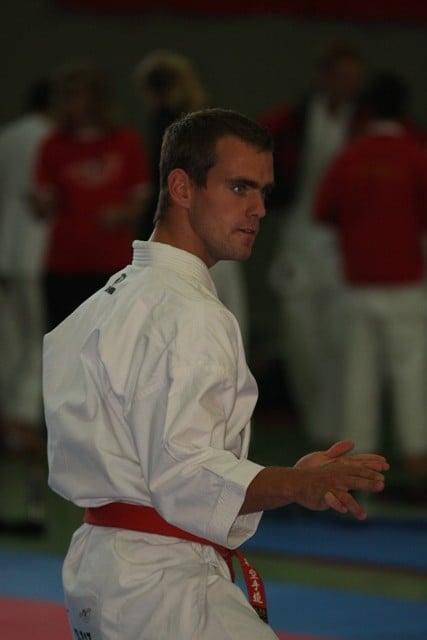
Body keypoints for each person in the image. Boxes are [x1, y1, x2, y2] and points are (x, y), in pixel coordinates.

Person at [43, 109, 389, 640]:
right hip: (162, 584)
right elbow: (186, 475)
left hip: (105, 568)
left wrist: (287, 478)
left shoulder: (107, 301)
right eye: (239, 187)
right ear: (182, 187)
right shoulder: (190, 313)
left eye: (264, 192)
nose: (258, 209)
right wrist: (296, 484)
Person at [315, 73, 427, 478]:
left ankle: (357, 459)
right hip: (405, 282)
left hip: (357, 284)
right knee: (411, 371)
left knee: (357, 376)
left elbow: (323, 211)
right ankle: (416, 453)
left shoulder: (350, 157)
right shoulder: (416, 155)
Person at [261, 43, 366, 445]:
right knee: (302, 338)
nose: (347, 85)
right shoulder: (293, 120)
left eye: (353, 78)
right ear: (323, 77)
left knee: (342, 340)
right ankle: (317, 424)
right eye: (340, 77)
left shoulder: (366, 121)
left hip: (347, 243)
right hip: (301, 237)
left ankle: (338, 426)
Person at [134, 50, 249, 344]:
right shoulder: (216, 126)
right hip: (218, 232)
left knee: (187, 325)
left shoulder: (169, 127)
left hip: (187, 240)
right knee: (225, 323)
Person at [33, 62, 151, 330]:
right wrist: (40, 204)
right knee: (63, 338)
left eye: (76, 95)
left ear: (97, 98)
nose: (70, 103)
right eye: (65, 96)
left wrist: (121, 213)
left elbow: (141, 199)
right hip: (64, 263)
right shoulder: (53, 145)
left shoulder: (125, 142)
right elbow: (43, 202)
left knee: (114, 337)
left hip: (112, 262)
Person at [0, 78, 53, 530]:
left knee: (12, 343)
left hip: (6, 249)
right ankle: (19, 421)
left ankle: (13, 419)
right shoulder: (52, 139)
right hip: (37, 251)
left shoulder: (8, 136)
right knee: (39, 339)